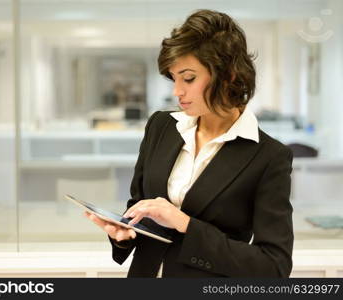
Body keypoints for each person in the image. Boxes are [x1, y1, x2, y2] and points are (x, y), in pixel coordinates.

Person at [85, 9, 293, 277]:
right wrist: (124, 234)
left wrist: (185, 224)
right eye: (174, 78)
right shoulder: (162, 126)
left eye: (189, 78)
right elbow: (138, 207)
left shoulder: (268, 156)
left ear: (228, 74)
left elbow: (273, 266)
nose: (176, 91)